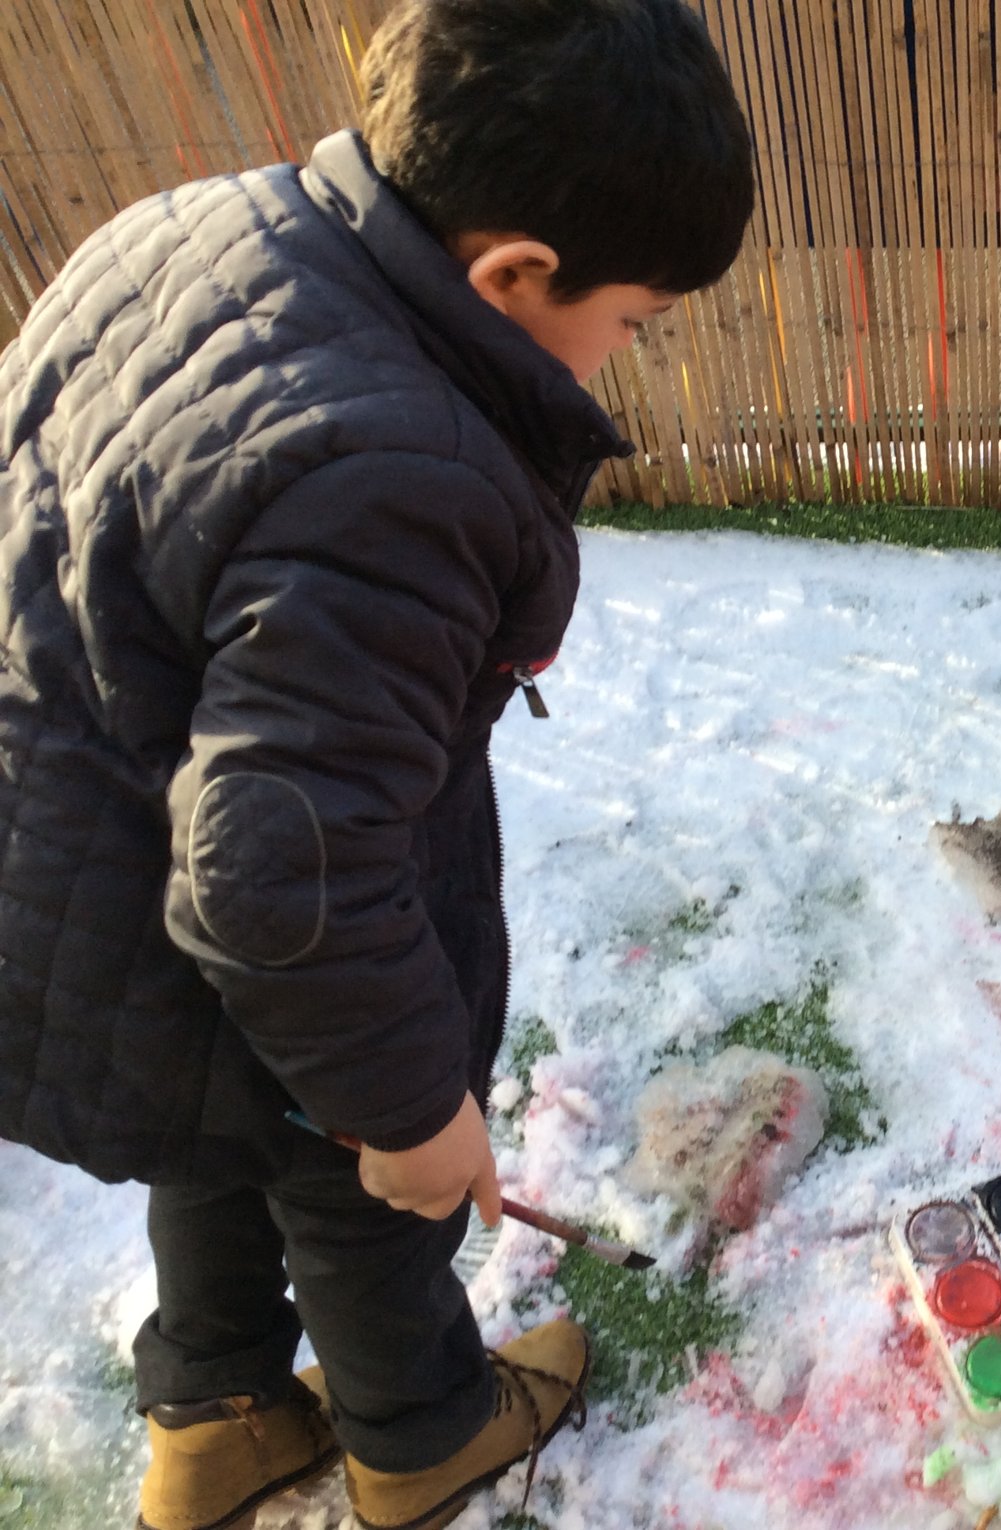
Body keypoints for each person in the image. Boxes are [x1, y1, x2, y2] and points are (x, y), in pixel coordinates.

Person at [0, 3, 753, 1527]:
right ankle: (419, 1434)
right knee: (352, 1171)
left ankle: (211, 1413)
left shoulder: (192, 232)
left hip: (83, 866)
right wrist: (416, 1113)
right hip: (218, 893)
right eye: (631, 321)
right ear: (514, 275)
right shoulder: (390, 467)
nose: (625, 361)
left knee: (216, 1130)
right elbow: (289, 885)